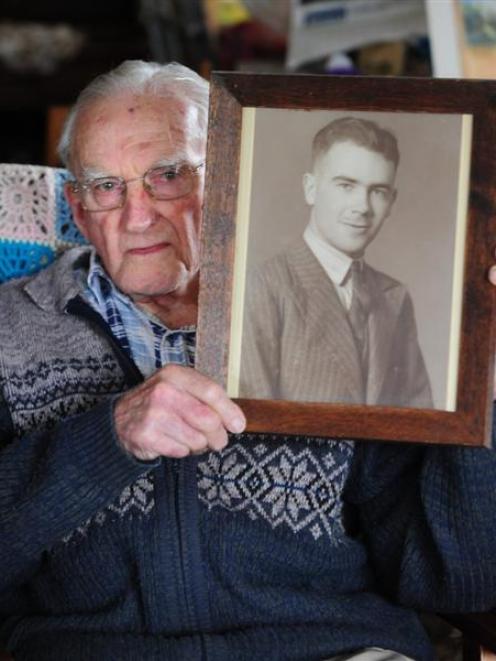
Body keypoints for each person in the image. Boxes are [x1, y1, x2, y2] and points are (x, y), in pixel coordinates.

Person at [0, 60, 495, 661]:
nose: (136, 215)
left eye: (168, 175)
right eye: (106, 186)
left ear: (234, 173)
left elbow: (453, 577)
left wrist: (481, 380)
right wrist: (108, 438)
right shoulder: (11, 329)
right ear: (79, 211)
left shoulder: (351, 312)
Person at [239, 117, 432, 408]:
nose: (362, 207)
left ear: (392, 201)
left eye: (377, 191)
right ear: (311, 189)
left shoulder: (395, 297)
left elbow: (421, 419)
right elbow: (248, 421)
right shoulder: (261, 286)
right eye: (346, 186)